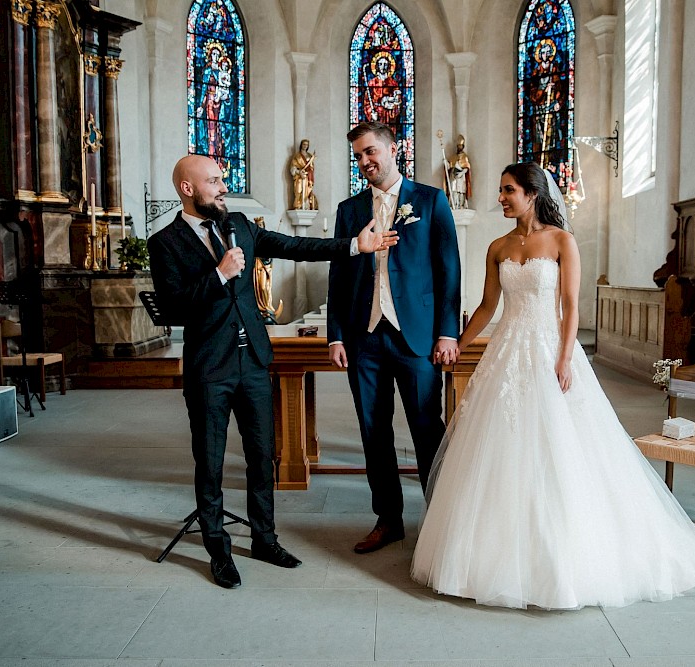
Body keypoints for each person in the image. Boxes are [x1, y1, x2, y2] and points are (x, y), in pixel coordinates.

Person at [411, 162, 695, 610]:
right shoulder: (498, 246)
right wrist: (458, 345)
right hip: (507, 352)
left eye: (508, 190)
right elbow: (486, 306)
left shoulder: (562, 241)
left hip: (550, 352)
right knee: (500, 446)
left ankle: (566, 552)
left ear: (533, 193)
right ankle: (495, 550)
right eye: (501, 190)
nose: (500, 198)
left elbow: (571, 306)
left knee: (560, 447)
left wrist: (563, 358)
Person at [148, 155, 397, 589]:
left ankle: (264, 538)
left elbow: (293, 246)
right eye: (213, 181)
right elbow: (172, 308)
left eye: (222, 179)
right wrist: (220, 275)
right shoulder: (165, 242)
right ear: (187, 189)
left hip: (254, 364)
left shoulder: (239, 223)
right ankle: (218, 549)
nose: (222, 187)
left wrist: (354, 246)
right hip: (210, 368)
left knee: (263, 457)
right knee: (209, 462)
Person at [327, 121, 461, 555]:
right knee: (373, 430)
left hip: (417, 338)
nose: (366, 161)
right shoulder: (348, 211)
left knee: (427, 428)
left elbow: (449, 271)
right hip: (364, 338)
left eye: (371, 152)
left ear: (392, 148)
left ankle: (441, 522)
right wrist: (335, 336)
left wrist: (446, 331)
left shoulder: (430, 200)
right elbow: (339, 276)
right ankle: (388, 520)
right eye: (359, 156)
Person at [445, 135, 472, 209]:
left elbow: (466, 168)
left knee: (460, 191)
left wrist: (461, 173)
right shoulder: (453, 157)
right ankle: (453, 204)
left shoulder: (465, 156)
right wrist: (446, 163)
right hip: (453, 177)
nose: (459, 147)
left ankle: (460, 204)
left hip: (461, 177)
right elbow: (449, 167)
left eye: (461, 146)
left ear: (463, 146)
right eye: (458, 146)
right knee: (453, 190)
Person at [289, 139, 318, 210]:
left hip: (307, 177)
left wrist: (309, 170)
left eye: (307, 145)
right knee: (298, 191)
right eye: (304, 144)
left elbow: (312, 167)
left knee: (307, 191)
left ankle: (305, 204)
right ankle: (298, 205)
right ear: (301, 145)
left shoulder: (310, 156)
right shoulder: (297, 156)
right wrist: (299, 172)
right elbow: (292, 168)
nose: (305, 146)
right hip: (299, 177)